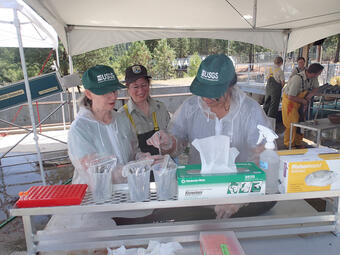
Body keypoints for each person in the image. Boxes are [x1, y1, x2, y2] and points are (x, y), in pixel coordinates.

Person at [146, 54, 275, 219]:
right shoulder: (191, 107)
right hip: (199, 191)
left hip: (241, 195)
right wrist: (167, 141)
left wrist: (239, 196)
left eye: (213, 93)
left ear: (230, 86)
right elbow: (176, 142)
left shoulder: (250, 112)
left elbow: (264, 157)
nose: (206, 98)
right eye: (203, 91)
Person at [47, 65, 151, 232]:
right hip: (93, 203)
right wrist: (129, 170)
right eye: (105, 93)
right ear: (88, 94)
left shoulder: (122, 119)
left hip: (125, 196)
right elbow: (95, 175)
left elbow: (133, 152)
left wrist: (142, 158)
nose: (112, 96)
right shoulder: (80, 129)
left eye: (115, 91)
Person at [118, 64, 170, 155]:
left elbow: (172, 135)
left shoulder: (160, 107)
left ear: (149, 85)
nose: (141, 91)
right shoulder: (121, 115)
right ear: (128, 88)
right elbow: (123, 150)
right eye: (135, 87)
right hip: (139, 167)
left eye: (144, 85)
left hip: (165, 163)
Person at [282, 63, 324, 148]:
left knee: (301, 122)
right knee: (292, 123)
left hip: (300, 101)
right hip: (290, 102)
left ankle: (298, 142)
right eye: (319, 73)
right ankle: (289, 144)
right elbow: (290, 96)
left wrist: (308, 97)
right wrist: (303, 101)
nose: (320, 75)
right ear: (314, 73)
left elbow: (316, 88)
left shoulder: (313, 78)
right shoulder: (297, 79)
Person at [263, 56, 285, 120]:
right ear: (281, 63)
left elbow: (266, 78)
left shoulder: (268, 69)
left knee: (266, 103)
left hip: (268, 87)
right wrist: (280, 88)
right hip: (276, 89)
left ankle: (263, 119)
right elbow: (283, 82)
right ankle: (270, 122)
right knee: (274, 106)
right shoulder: (280, 70)